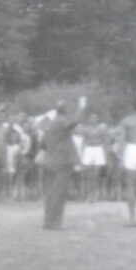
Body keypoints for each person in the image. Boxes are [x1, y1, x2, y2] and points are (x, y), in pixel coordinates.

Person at [41, 96, 87, 230]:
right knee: (59, 193)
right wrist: (82, 107)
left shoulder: (51, 124)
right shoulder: (61, 121)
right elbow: (74, 122)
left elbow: (43, 144)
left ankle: (48, 221)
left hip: (50, 160)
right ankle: (55, 222)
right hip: (62, 161)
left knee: (50, 192)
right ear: (65, 111)